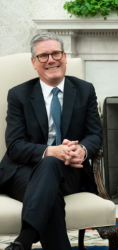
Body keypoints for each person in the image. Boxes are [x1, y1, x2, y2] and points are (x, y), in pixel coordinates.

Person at [0, 32, 102, 250]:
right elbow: (15, 146)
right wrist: (51, 151)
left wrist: (82, 150)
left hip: (70, 171)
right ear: (34, 63)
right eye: (43, 56)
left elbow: (95, 135)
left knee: (51, 168)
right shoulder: (19, 95)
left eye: (56, 53)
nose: (51, 60)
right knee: (50, 191)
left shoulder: (85, 90)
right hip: (22, 171)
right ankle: (25, 240)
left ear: (64, 57)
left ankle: (24, 240)